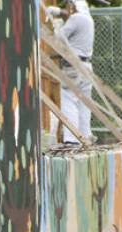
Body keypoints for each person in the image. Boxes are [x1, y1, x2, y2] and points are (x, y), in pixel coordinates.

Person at [49, 0, 95, 144]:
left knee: (68, 98)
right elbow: (68, 18)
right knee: (84, 102)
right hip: (86, 66)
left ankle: (72, 139)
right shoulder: (88, 20)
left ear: (73, 6)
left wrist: (56, 25)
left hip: (73, 67)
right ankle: (85, 136)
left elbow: (59, 38)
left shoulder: (76, 19)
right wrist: (59, 13)